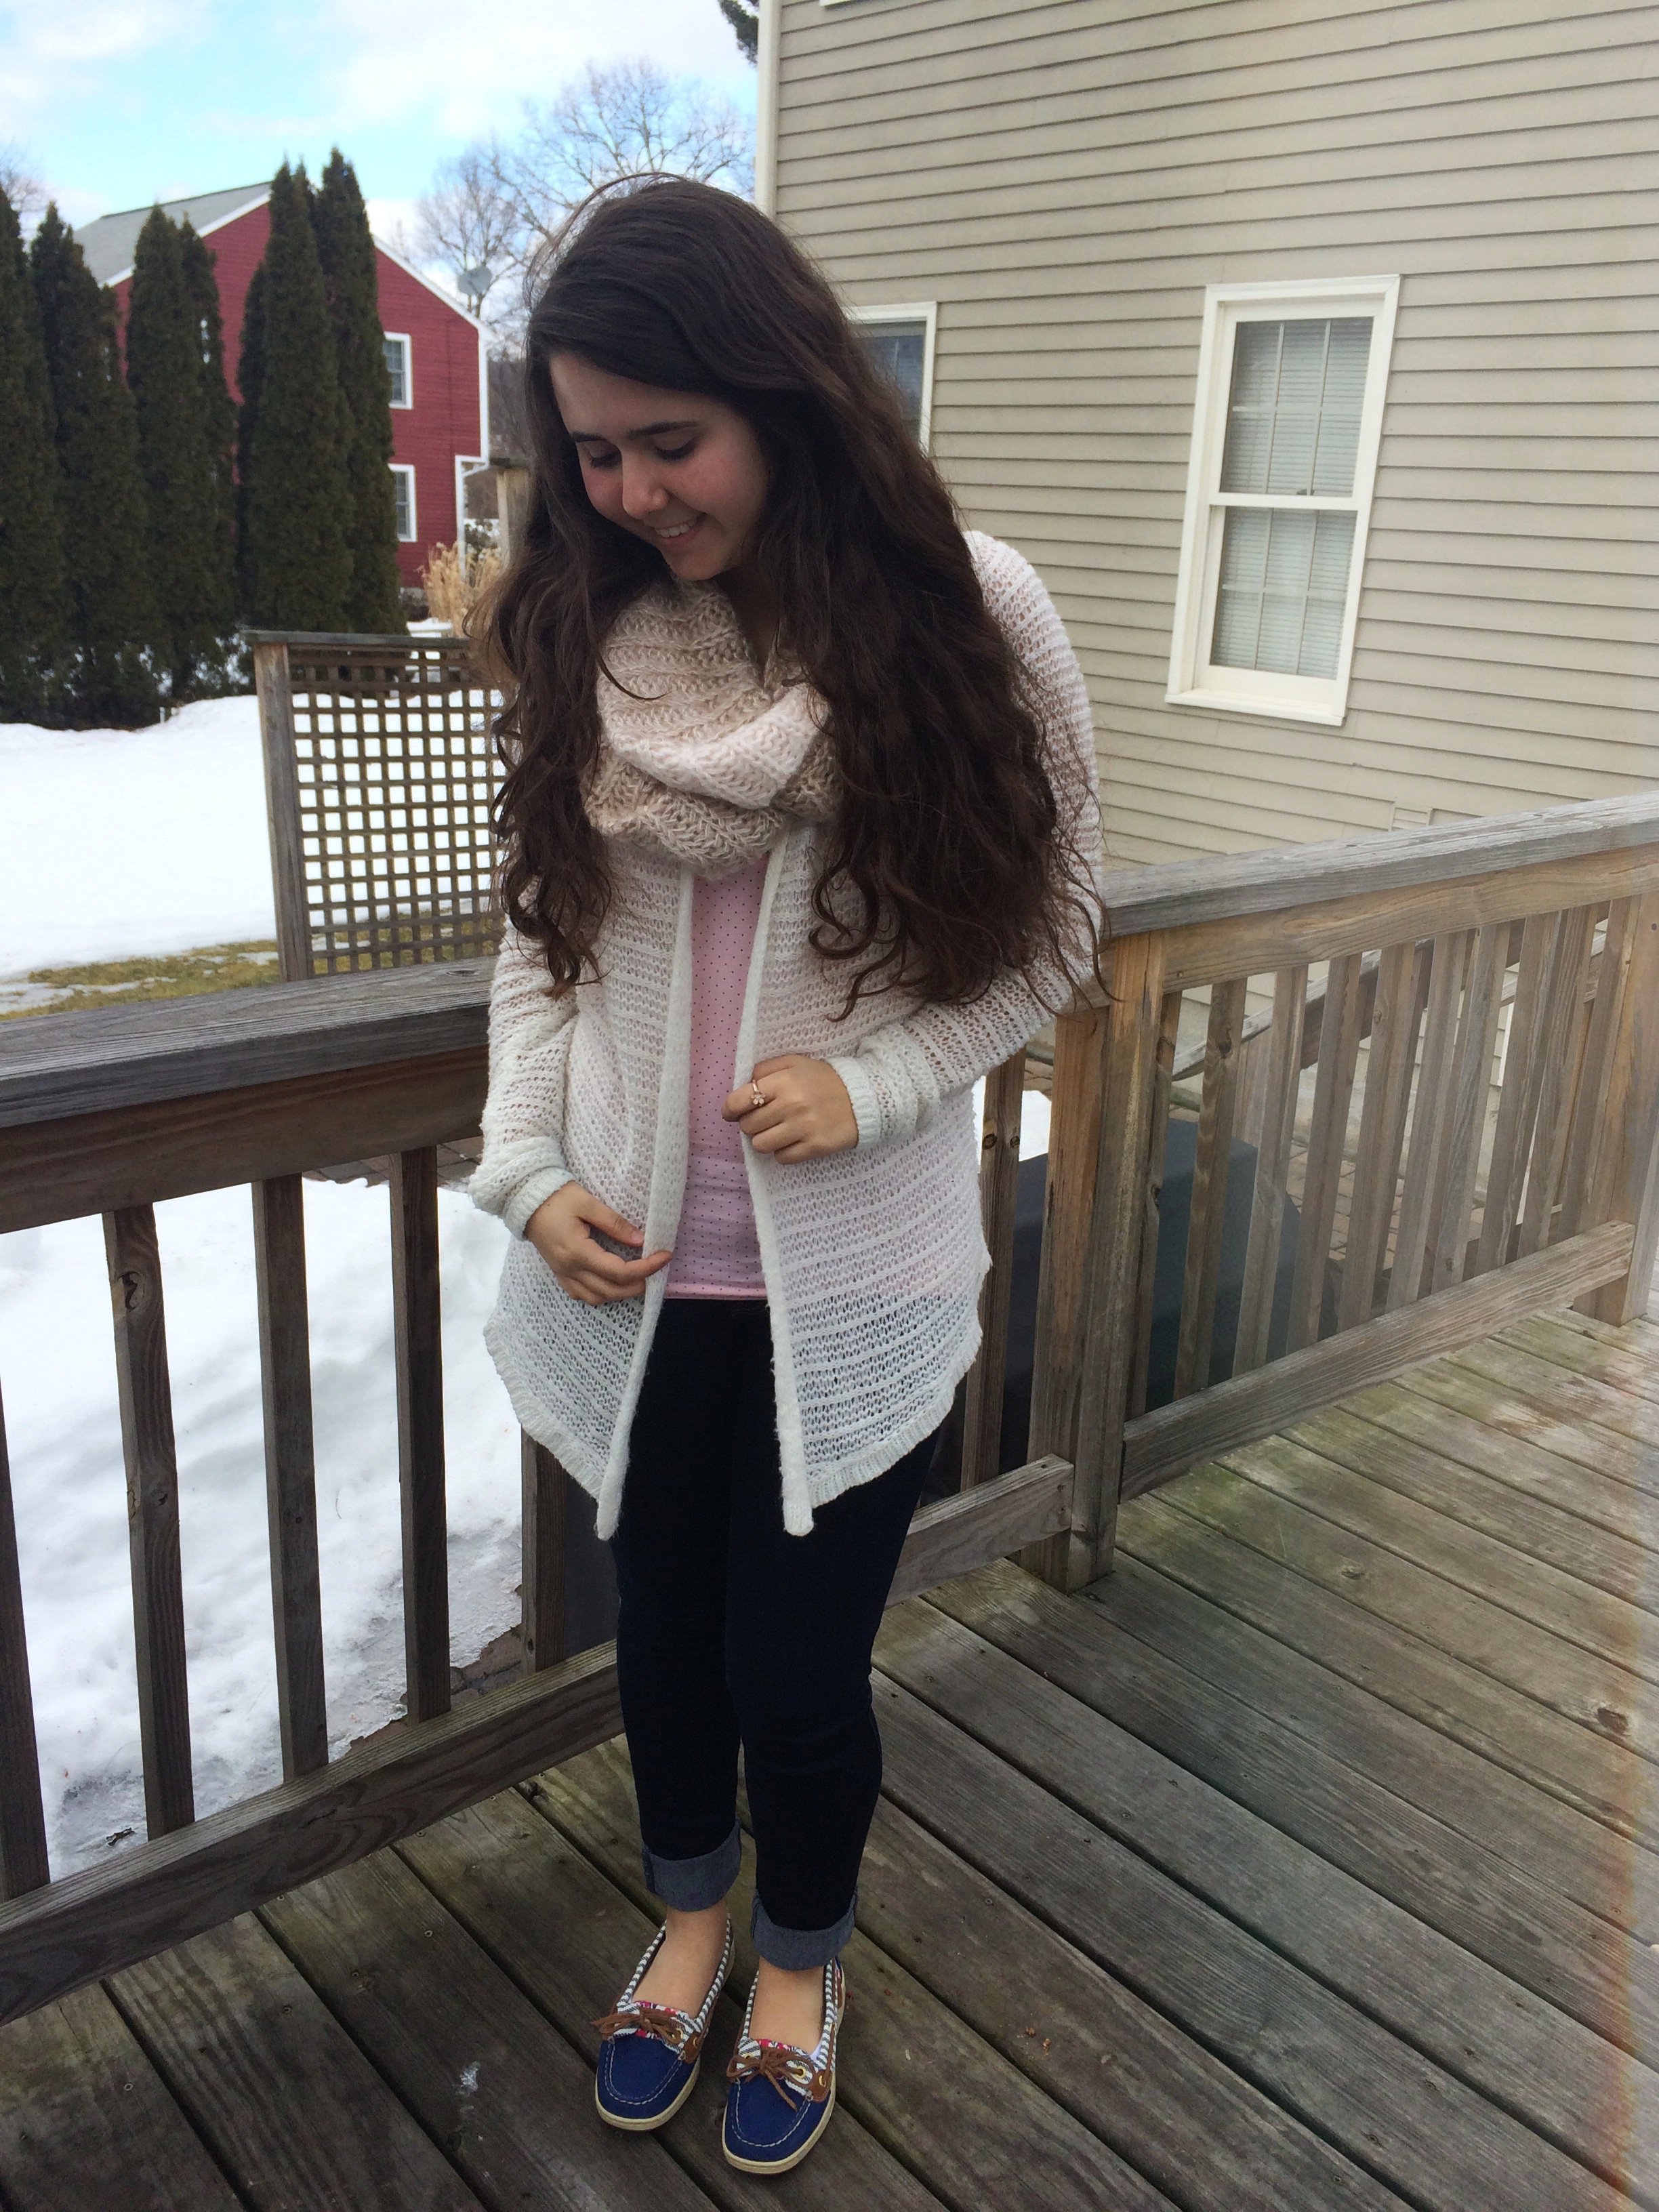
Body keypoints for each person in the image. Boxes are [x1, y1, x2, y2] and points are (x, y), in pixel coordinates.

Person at [470, 176, 1102, 2177]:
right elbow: (540, 937)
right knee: (661, 1645)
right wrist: (519, 1167)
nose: (634, 492)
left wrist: (878, 1077)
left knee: (800, 1675)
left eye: (672, 439)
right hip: (630, 1272)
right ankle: (687, 1919)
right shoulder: (584, 630)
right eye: (594, 452)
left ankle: (801, 1964)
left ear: (785, 392)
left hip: (854, 1284)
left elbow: (1057, 932)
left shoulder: (968, 613)